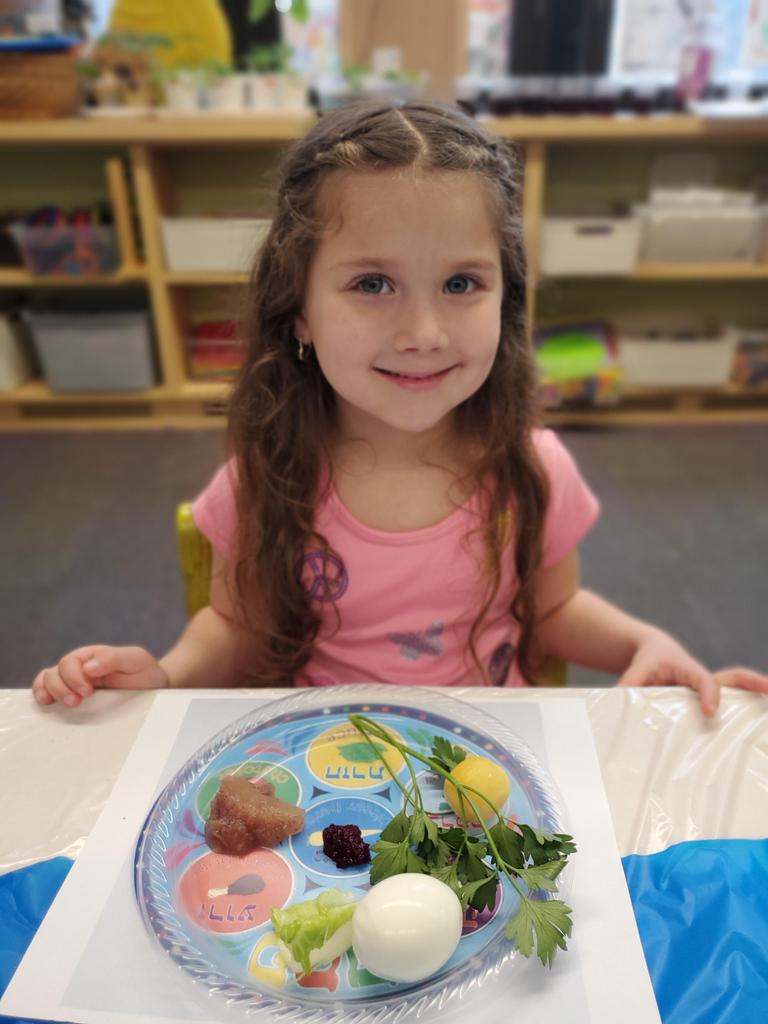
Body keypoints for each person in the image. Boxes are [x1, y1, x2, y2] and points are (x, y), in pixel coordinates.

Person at [32, 100, 767, 716]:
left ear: (505, 297)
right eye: (372, 285)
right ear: (299, 311)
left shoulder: (532, 466)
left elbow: (551, 610)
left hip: (490, 764)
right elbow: (237, 626)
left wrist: (643, 642)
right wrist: (165, 677)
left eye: (461, 284)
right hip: (325, 764)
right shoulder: (271, 472)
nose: (423, 334)